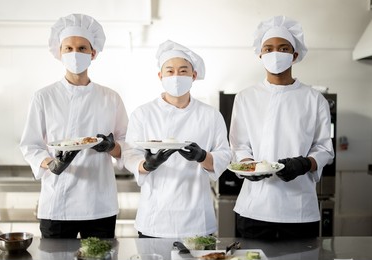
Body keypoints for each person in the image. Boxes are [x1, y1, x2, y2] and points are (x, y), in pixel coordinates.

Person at [19, 14, 128, 239]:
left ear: (93, 53)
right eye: (68, 48)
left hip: (99, 204)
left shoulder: (111, 98)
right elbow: (30, 145)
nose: (74, 54)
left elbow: (127, 146)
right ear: (60, 53)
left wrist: (111, 146)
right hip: (57, 204)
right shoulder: (44, 97)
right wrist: (52, 164)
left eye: (81, 48)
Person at [229, 15, 334, 240]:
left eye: (283, 48)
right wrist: (249, 166)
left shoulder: (314, 99)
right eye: (268, 49)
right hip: (254, 208)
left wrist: (305, 163)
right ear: (260, 54)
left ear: (294, 55)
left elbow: (325, 149)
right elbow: (239, 146)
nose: (275, 54)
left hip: (299, 212)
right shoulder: (246, 97)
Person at [122, 40, 232, 238]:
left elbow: (224, 155)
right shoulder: (143, 113)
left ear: (194, 75)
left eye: (183, 71)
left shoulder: (210, 115)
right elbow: (129, 154)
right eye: (170, 71)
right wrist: (148, 165)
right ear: (160, 76)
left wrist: (202, 156)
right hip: (155, 218)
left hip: (197, 218)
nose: (176, 77)